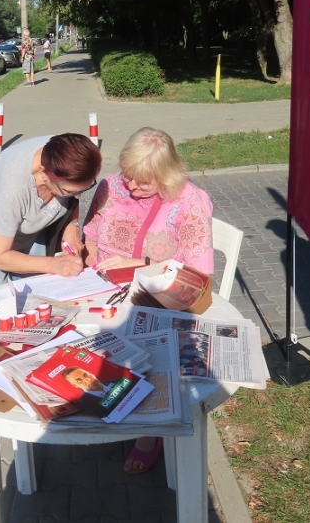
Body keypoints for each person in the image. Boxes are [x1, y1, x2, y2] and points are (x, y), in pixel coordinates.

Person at [83, 127, 214, 475]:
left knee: (149, 351)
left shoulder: (190, 201)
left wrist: (140, 264)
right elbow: (90, 235)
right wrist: (88, 259)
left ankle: (149, 433)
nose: (131, 187)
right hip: (103, 290)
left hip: (155, 300)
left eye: (143, 182)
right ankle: (107, 402)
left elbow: (196, 274)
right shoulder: (111, 185)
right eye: (128, 175)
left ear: (166, 175)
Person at [0, 133, 102, 292]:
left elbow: (74, 195)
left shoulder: (67, 153)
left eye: (86, 188)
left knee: (35, 297)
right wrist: (54, 264)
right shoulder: (12, 188)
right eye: (69, 192)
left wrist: (71, 226)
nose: (78, 196)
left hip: (33, 233)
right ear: (44, 174)